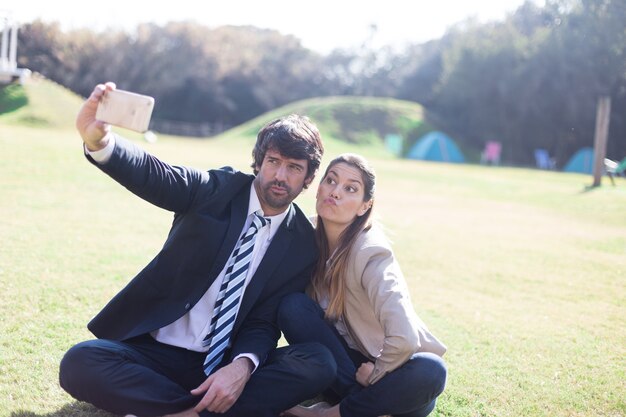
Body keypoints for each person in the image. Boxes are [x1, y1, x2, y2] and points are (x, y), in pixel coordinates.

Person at [59, 82, 335, 417]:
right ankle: (192, 413)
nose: (279, 175)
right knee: (80, 361)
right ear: (258, 161)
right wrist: (101, 143)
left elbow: (264, 321)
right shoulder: (214, 190)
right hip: (156, 353)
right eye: (273, 161)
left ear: (307, 178)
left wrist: (241, 368)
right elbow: (156, 175)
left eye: (293, 167)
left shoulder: (301, 243)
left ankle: (160, 406)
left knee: (318, 362)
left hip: (221, 363)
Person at [277, 154, 448, 417]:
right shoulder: (304, 237)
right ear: (318, 188)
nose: (335, 192)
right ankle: (366, 409)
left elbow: (405, 338)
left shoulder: (372, 252)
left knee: (432, 370)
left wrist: (378, 373)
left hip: (393, 375)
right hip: (345, 372)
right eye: (331, 180)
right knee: (292, 307)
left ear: (363, 206)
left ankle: (326, 414)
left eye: (350, 189)